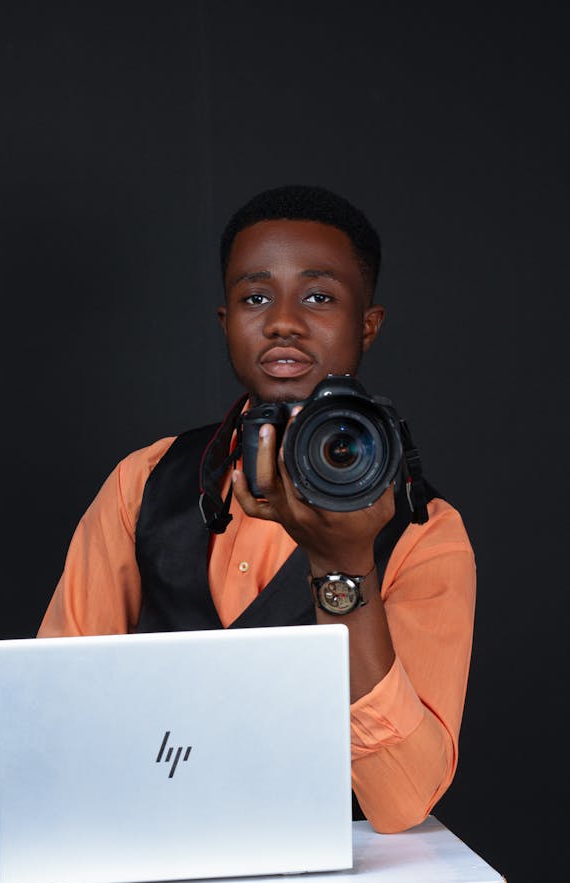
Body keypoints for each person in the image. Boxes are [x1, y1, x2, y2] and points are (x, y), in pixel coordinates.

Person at [38, 185, 476, 834]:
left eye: (319, 296)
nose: (282, 321)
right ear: (227, 323)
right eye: (255, 297)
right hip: (149, 855)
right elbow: (53, 712)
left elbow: (401, 800)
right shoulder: (144, 481)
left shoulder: (422, 530)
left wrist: (344, 570)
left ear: (368, 324)